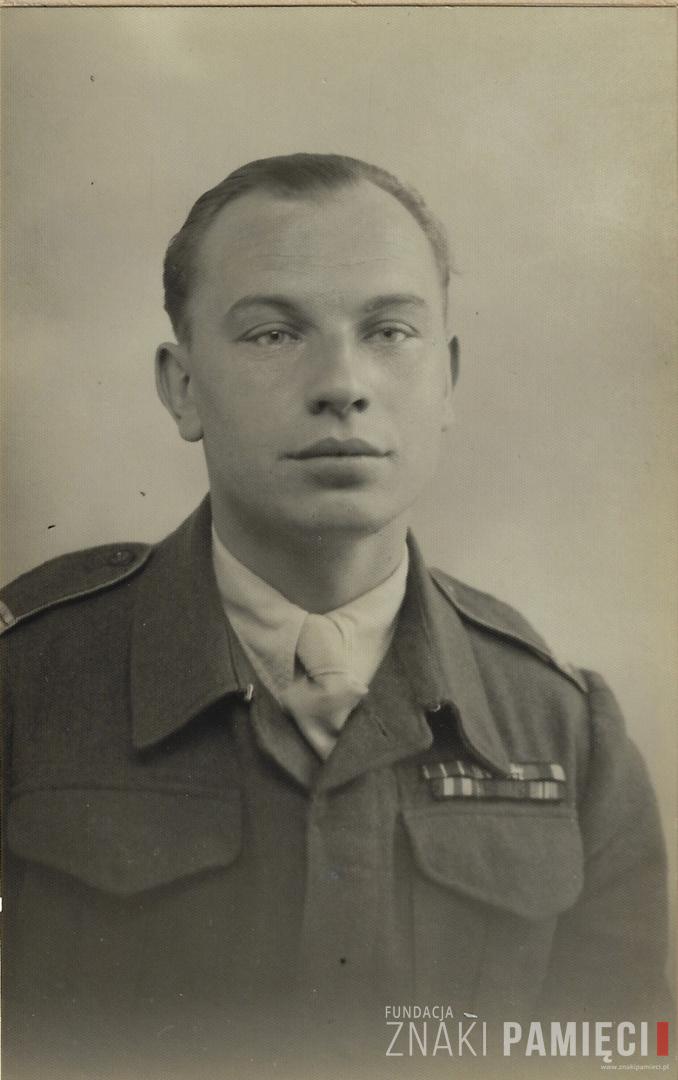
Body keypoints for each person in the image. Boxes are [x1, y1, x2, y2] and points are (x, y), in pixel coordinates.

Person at [1, 154, 670, 1080]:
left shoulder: (567, 735)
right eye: (274, 334)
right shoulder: (24, 689)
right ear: (183, 386)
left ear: (448, 379)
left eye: (390, 331)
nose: (342, 383)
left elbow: (620, 1060)